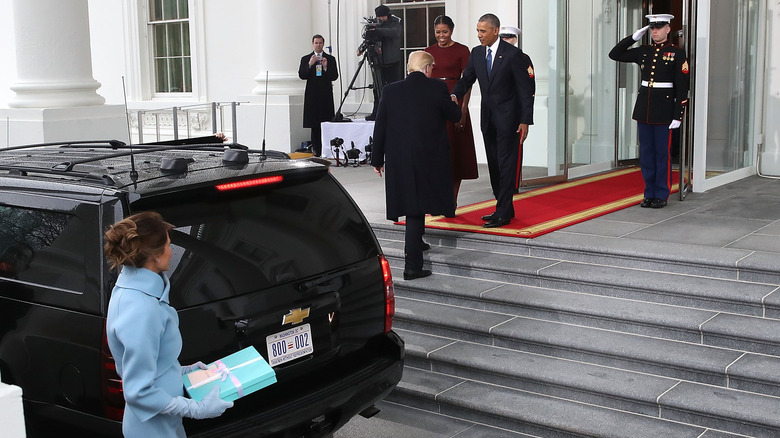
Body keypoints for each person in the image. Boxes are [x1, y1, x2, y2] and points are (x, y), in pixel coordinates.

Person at [104, 211, 232, 437]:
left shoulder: (137, 289)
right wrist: (198, 410)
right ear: (156, 256)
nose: (171, 252)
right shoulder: (141, 309)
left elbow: (152, 366)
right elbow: (138, 391)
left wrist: (183, 371)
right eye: (169, 245)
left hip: (163, 424)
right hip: (152, 430)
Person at [371, 51, 461, 280]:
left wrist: (376, 160)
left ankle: (417, 242)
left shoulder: (390, 91)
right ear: (428, 68)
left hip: (399, 159)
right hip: (428, 158)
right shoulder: (437, 89)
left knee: (413, 204)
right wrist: (453, 101)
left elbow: (380, 126)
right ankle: (412, 266)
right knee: (415, 208)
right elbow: (455, 115)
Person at [452, 13, 536, 228]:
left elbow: (525, 91)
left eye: (483, 31)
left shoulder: (513, 55)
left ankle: (503, 212)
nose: (479, 35)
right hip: (488, 119)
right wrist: (453, 95)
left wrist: (525, 120)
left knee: (507, 165)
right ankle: (503, 206)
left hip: (510, 121)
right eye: (477, 31)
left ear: (495, 31)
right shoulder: (477, 53)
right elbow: (467, 79)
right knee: (495, 165)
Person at [609, 14, 689, 209]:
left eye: (659, 27)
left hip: (665, 111)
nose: (655, 31)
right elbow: (615, 54)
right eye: (652, 27)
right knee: (646, 155)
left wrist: (678, 115)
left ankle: (661, 193)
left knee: (662, 154)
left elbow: (682, 87)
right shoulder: (643, 51)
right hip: (644, 110)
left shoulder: (676, 53)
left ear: (668, 29)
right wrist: (633, 38)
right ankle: (649, 192)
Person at [424, 15, 478, 205]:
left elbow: (468, 82)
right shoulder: (428, 51)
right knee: (434, 153)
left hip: (456, 102)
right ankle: (436, 197)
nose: (441, 36)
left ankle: (452, 200)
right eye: (437, 32)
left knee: (456, 154)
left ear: (452, 31)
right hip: (433, 105)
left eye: (445, 32)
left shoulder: (462, 50)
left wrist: (463, 110)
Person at [298, 34, 338, 157]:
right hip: (312, 95)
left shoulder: (330, 59)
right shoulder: (306, 58)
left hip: (325, 95)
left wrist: (325, 67)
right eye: (316, 43)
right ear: (313, 44)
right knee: (314, 125)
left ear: (323, 44)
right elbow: (302, 75)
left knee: (326, 123)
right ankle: (316, 150)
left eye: (320, 43)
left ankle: (327, 150)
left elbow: (334, 76)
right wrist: (310, 64)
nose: (318, 45)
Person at [363, 4, 402, 120]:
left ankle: (394, 114)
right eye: (378, 17)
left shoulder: (395, 21)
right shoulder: (376, 23)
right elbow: (371, 37)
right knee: (377, 88)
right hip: (378, 61)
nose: (380, 19)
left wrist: (378, 30)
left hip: (392, 62)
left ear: (387, 15)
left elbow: (395, 32)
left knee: (393, 89)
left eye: (382, 17)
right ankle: (377, 113)